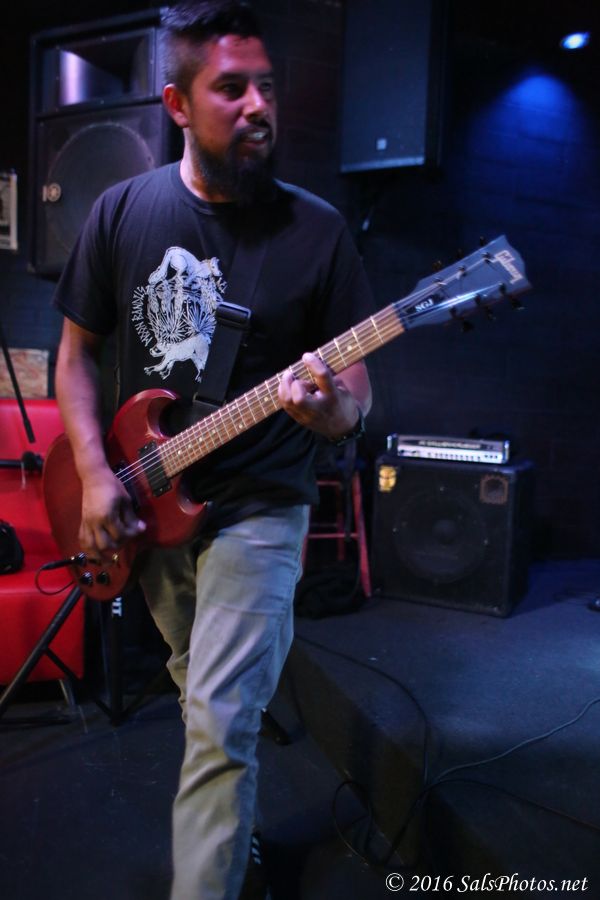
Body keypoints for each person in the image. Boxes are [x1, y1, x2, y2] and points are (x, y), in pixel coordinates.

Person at [52, 1, 373, 897]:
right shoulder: (122, 211)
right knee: (206, 704)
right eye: (231, 88)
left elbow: (358, 390)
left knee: (221, 718)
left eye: (266, 86)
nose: (258, 105)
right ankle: (234, 842)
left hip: (262, 508)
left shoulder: (318, 231)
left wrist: (333, 415)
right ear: (178, 104)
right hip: (149, 505)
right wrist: (92, 473)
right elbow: (74, 357)